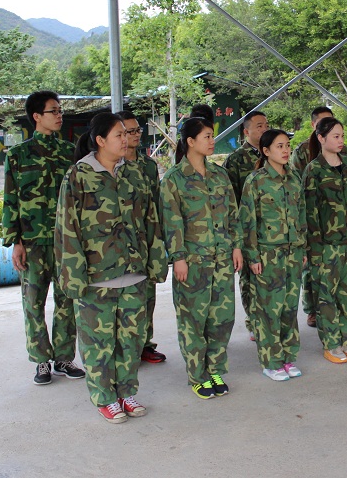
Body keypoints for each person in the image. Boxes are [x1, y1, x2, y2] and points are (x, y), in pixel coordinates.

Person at [56, 112, 166, 424]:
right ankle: (105, 397)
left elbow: (152, 219)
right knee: (98, 343)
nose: (126, 139)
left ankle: (126, 391)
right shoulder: (78, 176)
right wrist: (73, 276)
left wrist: (156, 261)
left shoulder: (134, 173)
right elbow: (67, 229)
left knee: (131, 340)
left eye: (126, 134)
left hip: (134, 271)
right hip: (97, 276)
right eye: (119, 134)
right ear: (101, 140)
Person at [2, 90, 84, 385]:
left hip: (66, 241)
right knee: (33, 302)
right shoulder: (17, 155)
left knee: (67, 300)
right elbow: (10, 200)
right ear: (37, 116)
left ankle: (63, 358)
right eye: (53, 111)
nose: (59, 115)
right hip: (33, 241)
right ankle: (40, 360)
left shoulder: (70, 153)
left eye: (60, 110)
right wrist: (15, 242)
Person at [160, 117, 243, 400]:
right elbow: (171, 222)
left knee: (222, 318)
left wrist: (236, 247)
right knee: (193, 320)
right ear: (190, 141)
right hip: (193, 262)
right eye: (206, 136)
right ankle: (197, 375)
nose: (211, 141)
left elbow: (233, 214)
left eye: (211, 136)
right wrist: (178, 258)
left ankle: (216, 369)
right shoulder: (174, 179)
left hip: (222, 259)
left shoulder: (219, 175)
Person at [239, 129, 306, 381]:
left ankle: (288, 357)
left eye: (287, 145)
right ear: (266, 151)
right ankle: (271, 361)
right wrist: (253, 256)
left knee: (289, 307)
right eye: (280, 146)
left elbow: (301, 214)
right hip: (268, 254)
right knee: (269, 310)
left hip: (293, 252)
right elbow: (247, 221)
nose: (286, 150)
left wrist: (303, 247)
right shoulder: (255, 181)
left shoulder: (294, 177)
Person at [303, 117, 347, 364]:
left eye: (342, 136)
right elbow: (309, 213)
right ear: (321, 138)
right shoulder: (314, 170)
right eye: (336, 136)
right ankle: (331, 343)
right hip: (326, 245)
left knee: (346, 294)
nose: (341, 140)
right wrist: (313, 249)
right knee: (326, 296)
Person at [114, 110, 168, 363]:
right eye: (130, 131)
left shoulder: (148, 165)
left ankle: (145, 343)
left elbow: (156, 204)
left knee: (147, 294)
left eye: (138, 130)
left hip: (146, 239)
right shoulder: (111, 165)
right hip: (118, 244)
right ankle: (123, 348)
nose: (136, 135)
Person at [290, 105, 347, 328]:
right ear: (314, 126)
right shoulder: (303, 153)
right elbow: (300, 187)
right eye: (323, 123)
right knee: (313, 272)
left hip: (341, 227)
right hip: (318, 225)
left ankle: (339, 308)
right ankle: (313, 308)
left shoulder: (343, 152)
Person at [224, 110, 270, 341]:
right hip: (247, 229)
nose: (264, 129)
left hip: (271, 230)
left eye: (266, 125)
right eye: (259, 126)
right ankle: (253, 321)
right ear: (246, 131)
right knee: (249, 279)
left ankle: (269, 321)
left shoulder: (272, 154)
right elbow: (230, 201)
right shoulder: (235, 160)